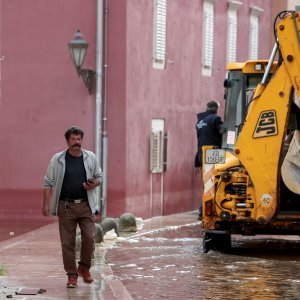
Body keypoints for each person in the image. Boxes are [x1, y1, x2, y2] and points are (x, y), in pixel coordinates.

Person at [42, 126, 102, 288]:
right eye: (73, 139)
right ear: (67, 141)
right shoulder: (58, 159)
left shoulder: (91, 158)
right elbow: (48, 181)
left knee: (89, 237)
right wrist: (45, 204)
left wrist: (93, 184)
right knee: (67, 242)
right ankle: (71, 274)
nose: (77, 142)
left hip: (86, 205)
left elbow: (99, 177)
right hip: (65, 206)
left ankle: (84, 268)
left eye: (79, 139)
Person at [195, 100, 223, 220]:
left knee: (207, 183)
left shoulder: (199, 121)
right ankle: (206, 211)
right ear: (216, 109)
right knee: (216, 183)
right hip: (214, 153)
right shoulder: (215, 119)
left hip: (202, 154)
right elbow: (223, 131)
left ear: (206, 108)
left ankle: (203, 211)